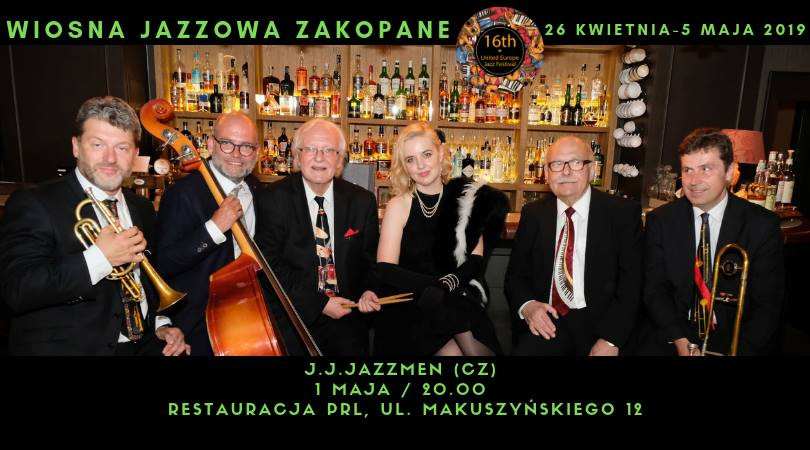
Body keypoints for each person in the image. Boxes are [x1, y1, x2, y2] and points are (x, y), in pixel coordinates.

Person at [0, 96, 189, 356]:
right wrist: (100, 258)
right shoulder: (34, 202)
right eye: (98, 144)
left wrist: (159, 324)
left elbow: (142, 279)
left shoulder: (142, 208)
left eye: (122, 147)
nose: (110, 158)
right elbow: (18, 291)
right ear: (76, 147)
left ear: (135, 155)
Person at [640, 128, 784, 355]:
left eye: (706, 169)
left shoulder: (761, 225)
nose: (694, 181)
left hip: (733, 339)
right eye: (687, 170)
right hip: (674, 333)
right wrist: (681, 342)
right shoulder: (661, 220)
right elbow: (654, 290)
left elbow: (767, 306)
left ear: (729, 172)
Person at [373, 123, 508, 356]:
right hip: (410, 302)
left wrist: (447, 285)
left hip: (455, 296)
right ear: (404, 166)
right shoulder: (399, 205)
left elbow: (475, 261)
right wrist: (435, 285)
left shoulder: (466, 201)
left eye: (426, 154)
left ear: (442, 153)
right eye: (411, 160)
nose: (420, 165)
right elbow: (386, 270)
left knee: (458, 318)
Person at [505, 136, 642, 356]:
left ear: (592, 170)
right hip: (548, 319)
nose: (566, 172)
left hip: (603, 324)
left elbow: (632, 284)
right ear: (546, 173)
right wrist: (528, 306)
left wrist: (611, 339)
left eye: (576, 163)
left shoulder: (622, 213)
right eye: (557, 164)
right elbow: (516, 275)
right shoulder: (534, 214)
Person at [254, 119, 380, 356]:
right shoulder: (272, 198)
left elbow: (370, 262)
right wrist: (319, 304)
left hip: (347, 315)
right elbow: (268, 266)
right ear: (297, 156)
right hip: (294, 317)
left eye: (329, 150)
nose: (319, 157)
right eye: (311, 149)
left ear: (340, 160)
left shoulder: (362, 201)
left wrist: (368, 291)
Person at [155, 112, 269, 355]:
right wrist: (214, 228)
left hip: (246, 316)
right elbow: (164, 263)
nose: (236, 154)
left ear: (257, 153)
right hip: (199, 325)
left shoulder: (256, 189)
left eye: (246, 146)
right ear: (210, 144)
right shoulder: (182, 194)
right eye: (227, 143)